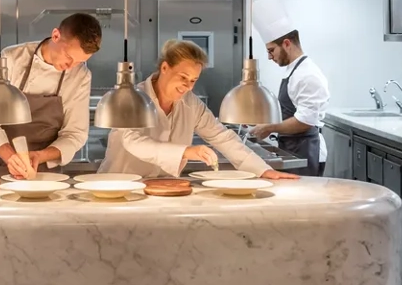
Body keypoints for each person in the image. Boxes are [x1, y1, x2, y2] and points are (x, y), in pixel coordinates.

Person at [101, 39, 300, 180]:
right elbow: (134, 142)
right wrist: (186, 151)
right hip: (119, 186)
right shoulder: (132, 98)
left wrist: (263, 170)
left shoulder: (191, 103)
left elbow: (222, 137)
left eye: (193, 80)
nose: (187, 86)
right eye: (183, 77)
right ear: (164, 68)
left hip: (162, 189)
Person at [0, 12, 103, 180]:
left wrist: (39, 156)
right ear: (56, 35)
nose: (71, 67)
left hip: (44, 173)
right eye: (69, 57)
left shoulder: (80, 76)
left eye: (79, 62)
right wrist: (11, 158)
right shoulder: (11, 59)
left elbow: (75, 133)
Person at [247, 0, 330, 176]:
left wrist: (269, 128)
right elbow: (290, 111)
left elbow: (304, 121)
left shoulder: (308, 75)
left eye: (271, 50)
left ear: (286, 44)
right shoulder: (294, 71)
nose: (270, 57)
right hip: (293, 148)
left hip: (307, 151)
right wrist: (264, 122)